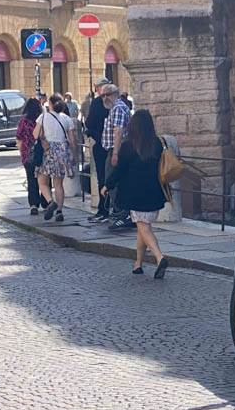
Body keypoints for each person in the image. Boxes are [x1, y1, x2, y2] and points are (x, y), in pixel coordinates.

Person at [102, 109, 170, 279]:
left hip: (136, 195)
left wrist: (107, 185)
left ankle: (160, 257)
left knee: (144, 228)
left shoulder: (128, 145)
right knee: (142, 228)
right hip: (154, 193)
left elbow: (119, 170)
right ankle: (138, 264)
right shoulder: (156, 143)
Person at [35, 93, 79, 222]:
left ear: (50, 104)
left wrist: (43, 137)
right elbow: (72, 140)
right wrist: (74, 155)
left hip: (48, 151)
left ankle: (50, 201)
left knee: (42, 180)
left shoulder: (43, 117)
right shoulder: (66, 118)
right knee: (58, 183)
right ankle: (59, 211)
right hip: (62, 152)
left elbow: (35, 134)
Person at [84, 78, 111, 222]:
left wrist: (91, 132)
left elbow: (89, 122)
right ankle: (115, 209)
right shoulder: (118, 102)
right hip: (116, 145)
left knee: (102, 177)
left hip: (101, 144)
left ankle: (103, 209)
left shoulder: (97, 103)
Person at [16, 97, 46, 215]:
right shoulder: (43, 119)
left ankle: (33, 204)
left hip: (28, 152)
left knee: (31, 179)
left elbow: (19, 137)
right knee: (44, 178)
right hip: (42, 152)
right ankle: (46, 202)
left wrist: (22, 153)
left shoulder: (24, 121)